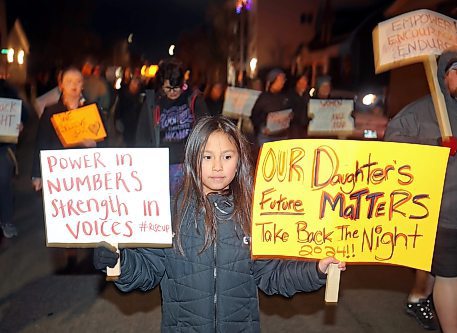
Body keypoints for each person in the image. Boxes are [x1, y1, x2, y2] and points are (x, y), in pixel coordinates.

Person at [94, 116, 345, 332]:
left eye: (226, 156)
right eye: (207, 157)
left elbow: (272, 275)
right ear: (193, 160)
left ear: (239, 162)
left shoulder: (252, 214)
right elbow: (148, 270)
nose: (217, 166)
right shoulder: (172, 212)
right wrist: (119, 261)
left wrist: (317, 270)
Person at [384, 47, 457, 332]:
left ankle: (419, 296)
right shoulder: (422, 111)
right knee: (452, 276)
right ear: (442, 77)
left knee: (446, 268)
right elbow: (391, 151)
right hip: (443, 213)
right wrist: (434, 147)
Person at [135, 58, 208, 194]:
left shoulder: (193, 99)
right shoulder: (153, 103)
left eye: (177, 88)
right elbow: (142, 134)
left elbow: (206, 129)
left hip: (189, 164)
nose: (173, 92)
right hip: (163, 166)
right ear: (161, 85)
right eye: (168, 88)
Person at [31, 66, 108, 191]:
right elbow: (41, 142)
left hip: (85, 172)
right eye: (69, 81)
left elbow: (105, 142)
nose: (74, 85)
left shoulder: (92, 110)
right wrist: (37, 174)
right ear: (61, 85)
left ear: (83, 85)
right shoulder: (51, 111)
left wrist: (95, 144)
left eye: (78, 81)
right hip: (58, 172)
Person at [0, 79, 29, 238]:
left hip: (3, 148)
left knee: (4, 185)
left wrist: (20, 123)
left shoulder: (8, 89)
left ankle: (6, 221)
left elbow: (23, 112)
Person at [250, 68, 291, 146]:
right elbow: (254, 116)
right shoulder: (264, 97)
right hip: (267, 137)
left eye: (284, 79)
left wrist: (290, 116)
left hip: (281, 136)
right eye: (280, 79)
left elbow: (290, 113)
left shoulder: (285, 97)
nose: (283, 82)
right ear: (273, 80)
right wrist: (262, 128)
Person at [114, 76, 143, 147]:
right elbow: (119, 109)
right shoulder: (124, 95)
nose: (136, 86)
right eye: (135, 83)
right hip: (126, 122)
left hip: (134, 123)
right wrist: (118, 120)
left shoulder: (138, 95)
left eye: (137, 84)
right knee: (127, 141)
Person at [288, 73, 310, 139]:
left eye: (305, 81)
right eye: (301, 82)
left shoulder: (308, 95)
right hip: (294, 126)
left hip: (306, 125)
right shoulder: (290, 95)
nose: (303, 84)